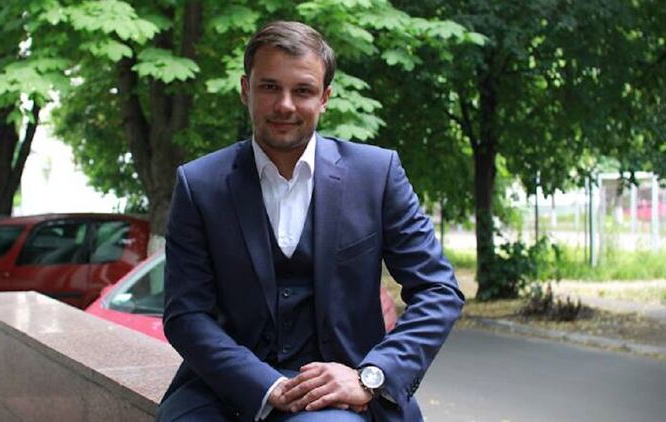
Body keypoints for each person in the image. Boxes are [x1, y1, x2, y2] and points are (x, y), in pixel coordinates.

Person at [158, 21, 463, 422]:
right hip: (227, 392)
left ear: (325, 98)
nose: (285, 105)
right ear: (246, 90)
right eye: (270, 87)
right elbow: (185, 314)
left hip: (343, 392)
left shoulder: (377, 174)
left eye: (302, 90)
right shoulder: (199, 184)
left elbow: (438, 290)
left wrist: (371, 376)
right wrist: (265, 386)